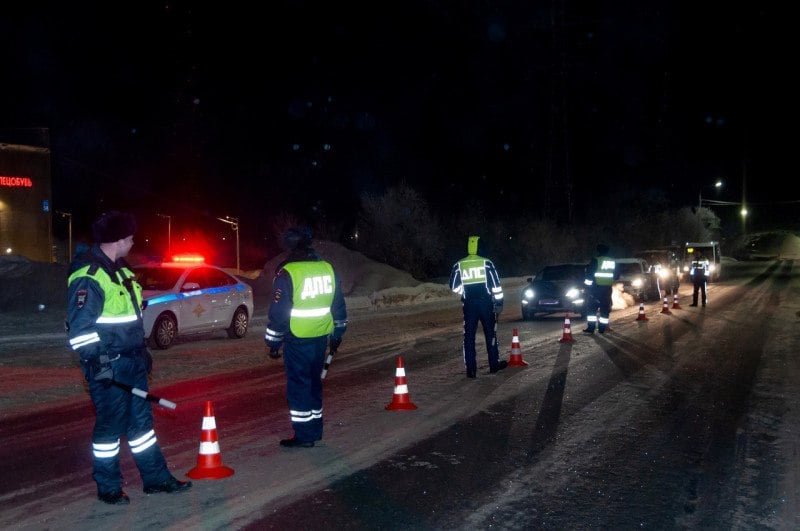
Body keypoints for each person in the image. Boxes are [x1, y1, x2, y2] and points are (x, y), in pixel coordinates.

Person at [66, 211, 191, 505]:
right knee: (110, 428)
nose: (133, 242)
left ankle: (156, 479)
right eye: (130, 238)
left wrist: (142, 351)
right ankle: (108, 487)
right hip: (109, 364)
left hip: (132, 360)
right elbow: (81, 330)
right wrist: (99, 363)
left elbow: (131, 318)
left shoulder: (121, 271)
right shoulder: (89, 276)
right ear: (118, 240)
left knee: (142, 425)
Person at [264, 226, 348, 448]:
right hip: (320, 335)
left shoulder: (288, 273)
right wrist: (338, 331)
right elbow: (337, 303)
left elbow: (279, 313)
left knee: (299, 385)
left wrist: (273, 342)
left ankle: (304, 435)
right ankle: (315, 429)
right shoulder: (327, 268)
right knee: (313, 383)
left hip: (298, 338)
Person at [449, 235, 507, 378]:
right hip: (486, 304)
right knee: (490, 334)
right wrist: (499, 303)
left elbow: (453, 286)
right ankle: (494, 365)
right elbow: (496, 286)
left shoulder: (459, 265)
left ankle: (471, 370)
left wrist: (465, 293)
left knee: (468, 338)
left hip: (469, 305)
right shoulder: (487, 263)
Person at [583, 243, 617, 334]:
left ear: (599, 251)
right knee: (605, 308)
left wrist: (586, 286)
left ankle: (591, 328)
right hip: (607, 288)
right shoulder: (612, 261)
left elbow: (589, 274)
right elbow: (617, 275)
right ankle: (602, 329)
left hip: (595, 288)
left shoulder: (596, 260)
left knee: (592, 308)